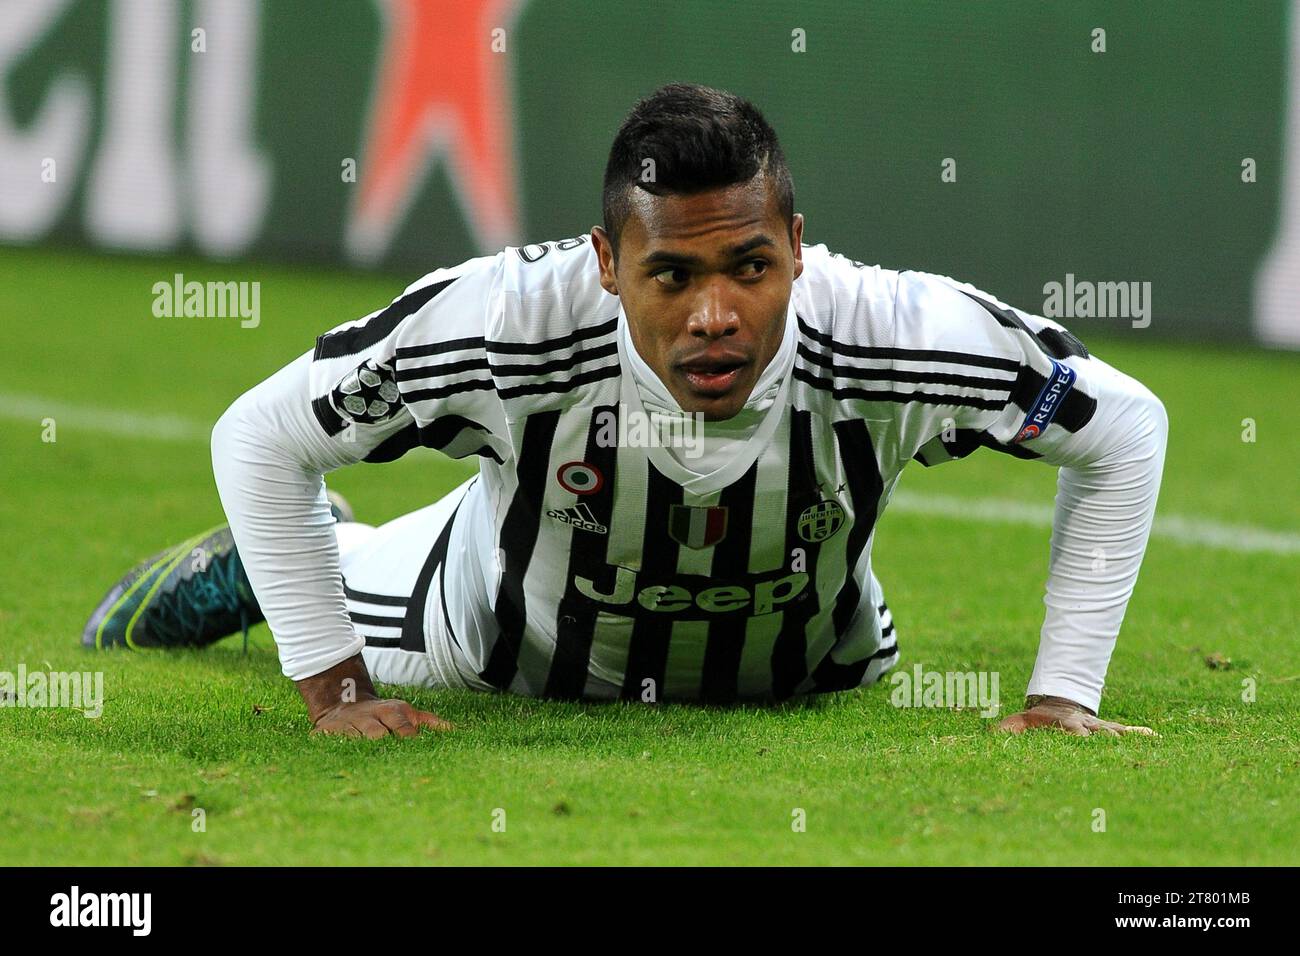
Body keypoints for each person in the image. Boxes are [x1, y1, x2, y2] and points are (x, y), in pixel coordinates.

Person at [84, 83, 1166, 740]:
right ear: (604, 263)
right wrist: (332, 686)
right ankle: (272, 565)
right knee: (321, 553)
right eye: (671, 274)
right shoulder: (507, 318)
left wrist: (1061, 694)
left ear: (796, 244)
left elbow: (1121, 426)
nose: (714, 314)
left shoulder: (895, 331)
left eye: (749, 265)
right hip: (494, 642)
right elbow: (262, 433)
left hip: (807, 666)